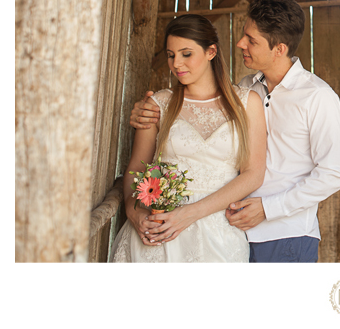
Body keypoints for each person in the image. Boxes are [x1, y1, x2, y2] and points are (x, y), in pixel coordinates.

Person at [130, 0, 340, 262]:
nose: (240, 43)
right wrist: (144, 112)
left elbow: (334, 174)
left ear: (279, 49)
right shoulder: (247, 89)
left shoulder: (317, 96)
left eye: (251, 40)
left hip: (284, 234)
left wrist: (268, 209)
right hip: (232, 230)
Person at [111, 14, 266, 262]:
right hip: (159, 230)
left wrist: (189, 214)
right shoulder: (158, 104)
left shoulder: (246, 102)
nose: (177, 64)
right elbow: (136, 169)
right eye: (171, 55)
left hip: (219, 233)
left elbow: (253, 174)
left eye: (186, 54)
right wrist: (135, 214)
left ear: (211, 52)